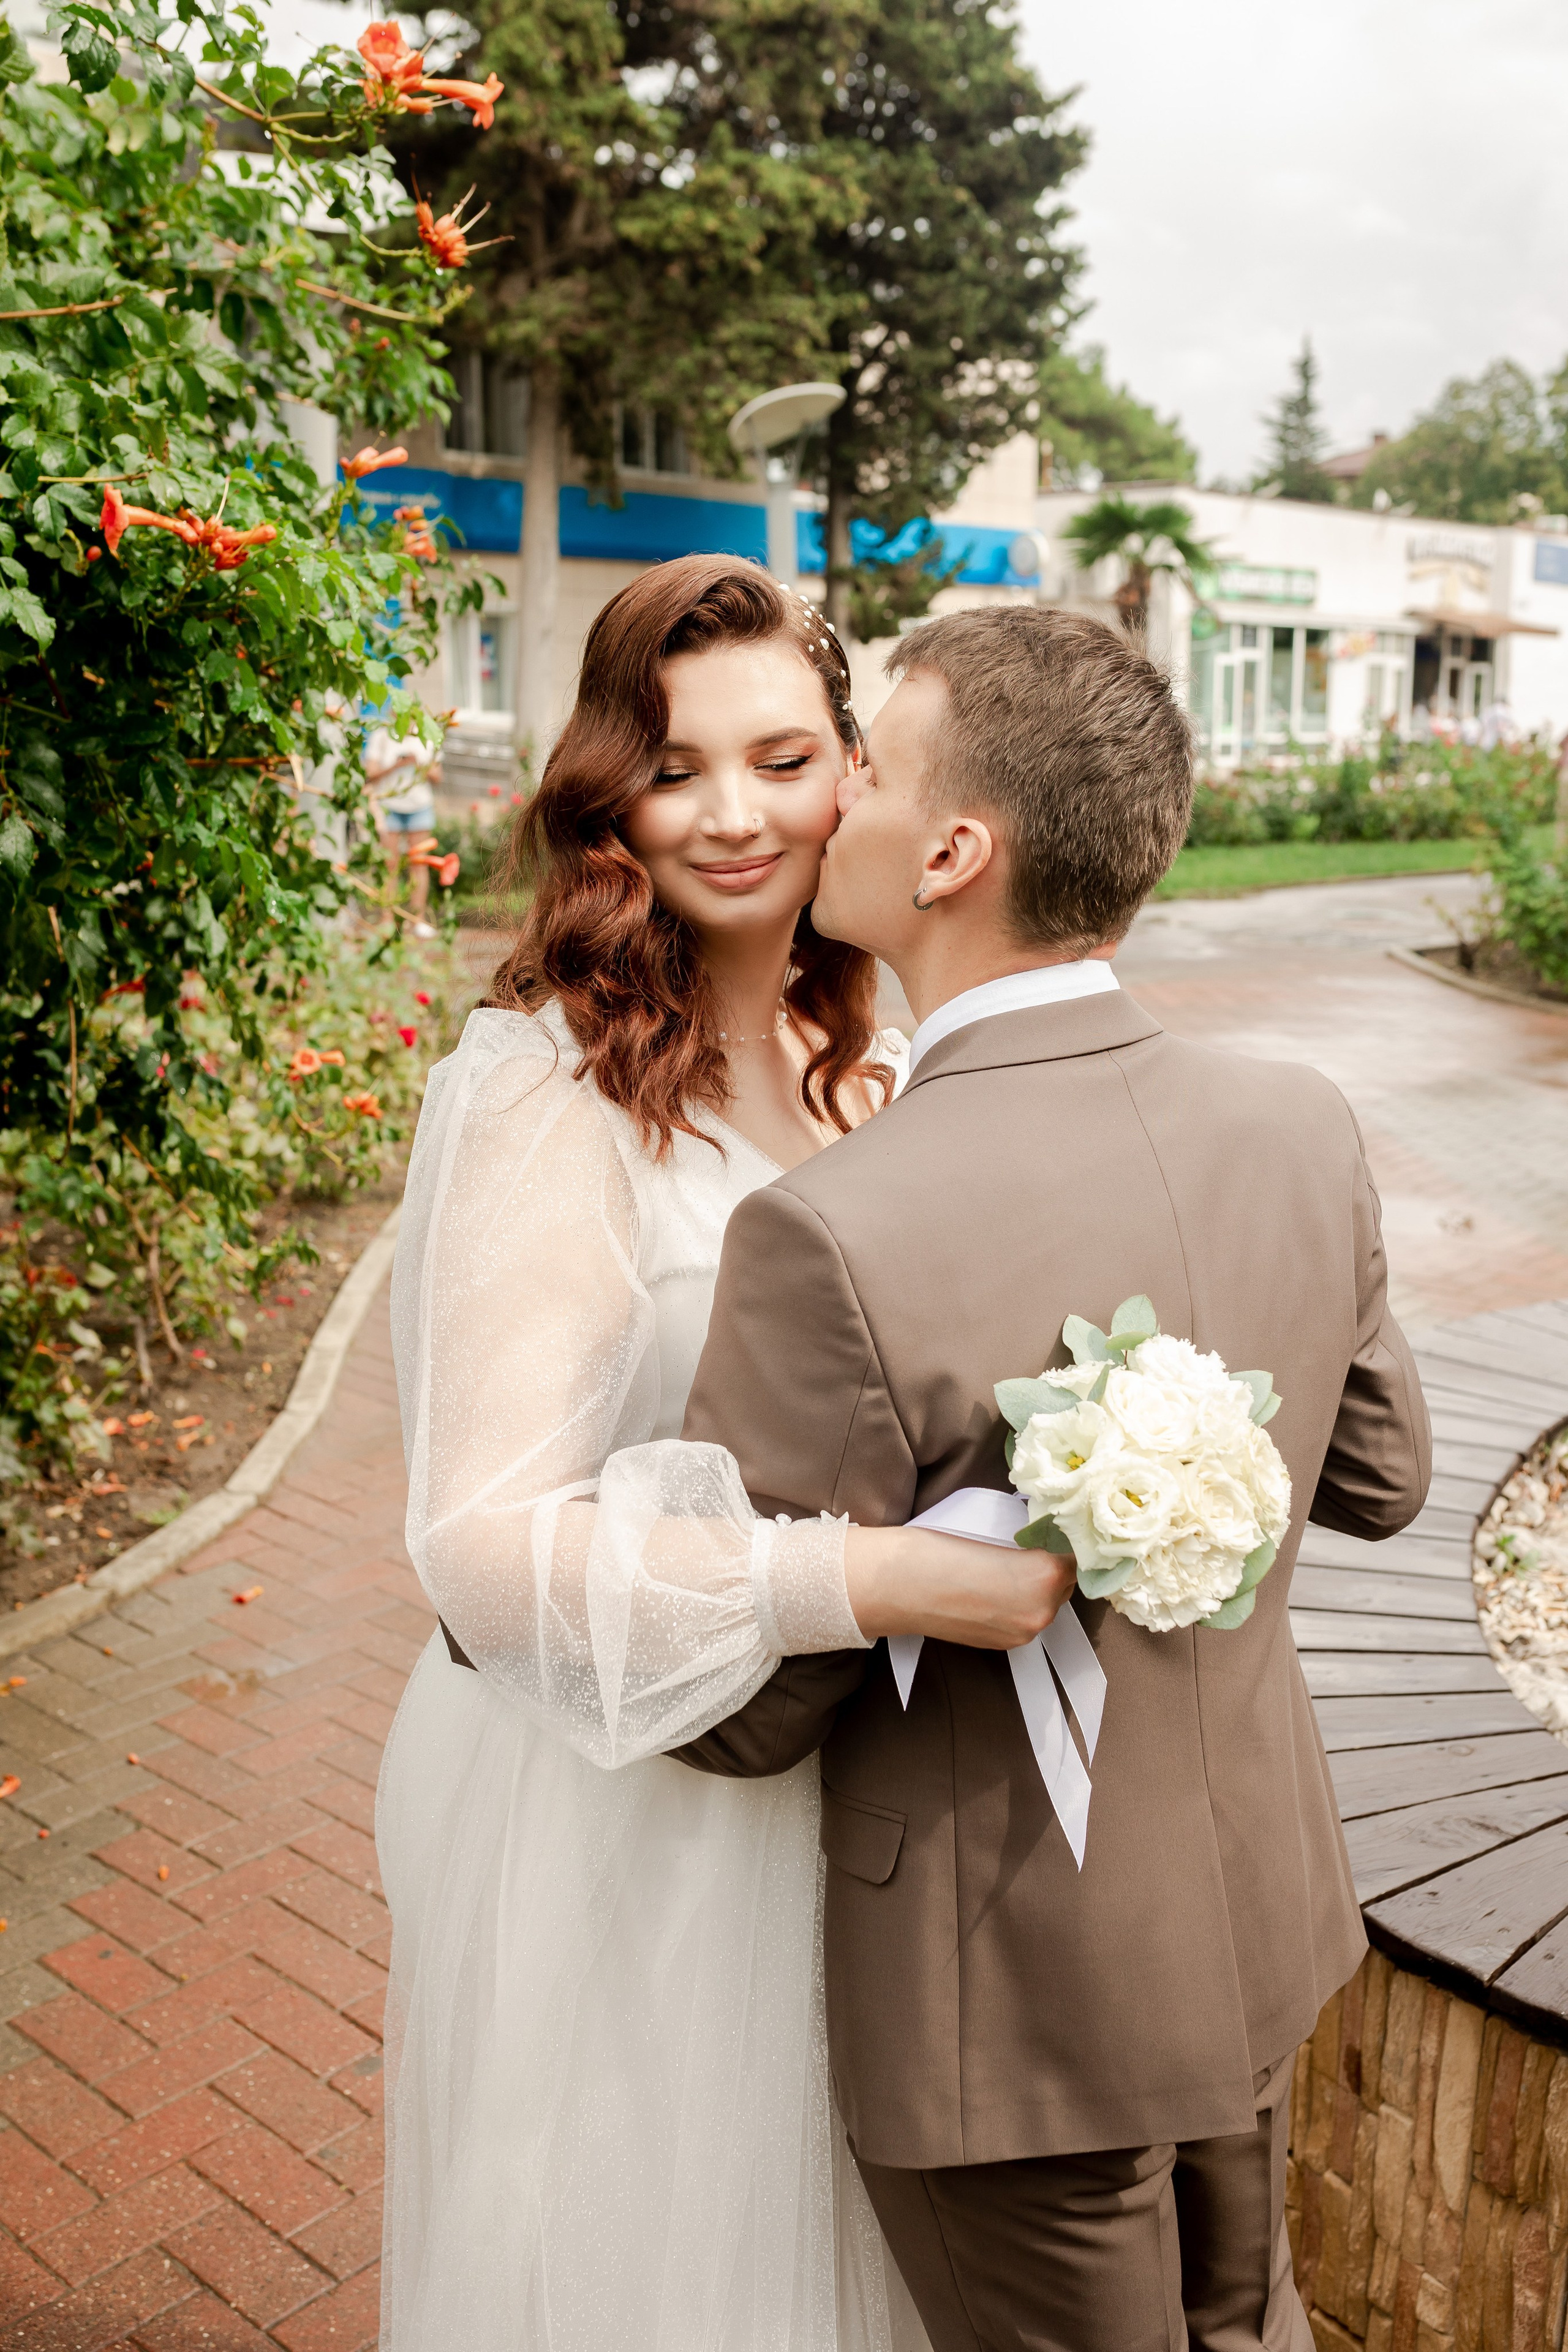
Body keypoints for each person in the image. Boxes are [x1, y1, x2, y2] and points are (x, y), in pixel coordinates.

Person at [673, 605, 1432, 2352]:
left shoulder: (831, 1232)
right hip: (1250, 1917)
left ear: (950, 849)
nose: (825, 794)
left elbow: (743, 1711)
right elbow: (1377, 1477)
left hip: (1003, 2006)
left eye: (862, 761)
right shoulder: (1298, 1120)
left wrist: (567, 1585)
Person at [376, 559, 1072, 2352]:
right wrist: (859, 1576)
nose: (736, 813)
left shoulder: (884, 1056)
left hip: (854, 1784)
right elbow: (474, 1544)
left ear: (857, 768)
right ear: (612, 792)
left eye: (783, 756)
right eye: (678, 768)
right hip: (638, 1796)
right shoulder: (554, 1084)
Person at [366, 714, 442, 937]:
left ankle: (415, 921)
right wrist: (396, 765)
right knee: (389, 864)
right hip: (389, 806)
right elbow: (370, 774)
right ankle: (387, 919)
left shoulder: (427, 737)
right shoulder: (381, 737)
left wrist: (417, 763)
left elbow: (437, 776)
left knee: (419, 864)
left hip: (419, 807)